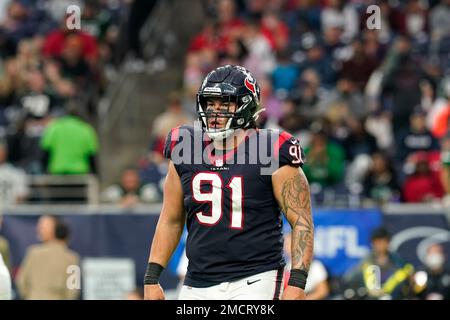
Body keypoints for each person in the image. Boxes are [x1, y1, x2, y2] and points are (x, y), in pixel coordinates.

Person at [143, 65, 313, 300]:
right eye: (210, 104)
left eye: (225, 104)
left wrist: (297, 283)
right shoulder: (185, 146)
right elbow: (171, 219)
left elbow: (302, 222)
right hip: (197, 280)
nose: (215, 111)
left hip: (256, 278)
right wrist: (152, 277)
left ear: (246, 105)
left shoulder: (272, 150)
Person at [16, 215, 80, 300]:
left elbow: (20, 281)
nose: (39, 230)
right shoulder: (73, 258)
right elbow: (73, 289)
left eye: (42, 227)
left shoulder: (33, 253)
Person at [343, 227, 414, 300]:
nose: (380, 245)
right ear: (373, 243)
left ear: (388, 242)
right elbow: (349, 278)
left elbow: (408, 274)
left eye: (383, 241)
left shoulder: (398, 261)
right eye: (377, 242)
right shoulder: (366, 261)